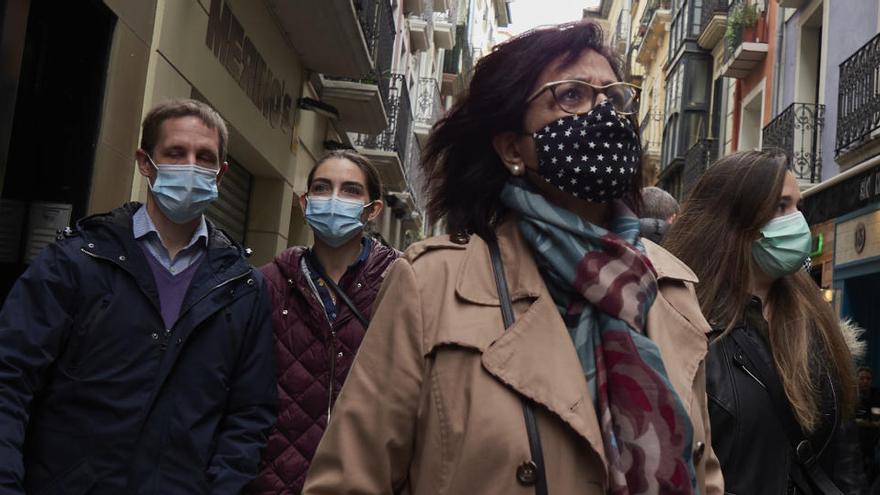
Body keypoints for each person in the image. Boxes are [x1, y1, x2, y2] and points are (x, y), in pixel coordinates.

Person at [303, 21, 723, 494]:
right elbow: (350, 480)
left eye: (615, 98)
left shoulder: (669, 289)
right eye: (571, 95)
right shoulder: (432, 284)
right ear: (511, 148)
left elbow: (703, 472)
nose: (603, 112)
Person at [0, 99, 277, 493]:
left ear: (221, 173)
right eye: (176, 153)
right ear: (145, 163)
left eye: (205, 157)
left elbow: (249, 417)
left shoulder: (242, 288)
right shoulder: (76, 261)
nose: (191, 166)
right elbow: (9, 377)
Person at [664, 150, 866, 494]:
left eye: (797, 206)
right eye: (780, 206)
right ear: (732, 221)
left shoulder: (813, 318)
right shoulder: (684, 323)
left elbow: (843, 454)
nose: (797, 220)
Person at [247, 150, 399, 494]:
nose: (333, 199)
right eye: (322, 187)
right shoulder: (267, 284)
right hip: (276, 483)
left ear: (372, 209)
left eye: (350, 190)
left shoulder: (404, 284)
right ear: (305, 202)